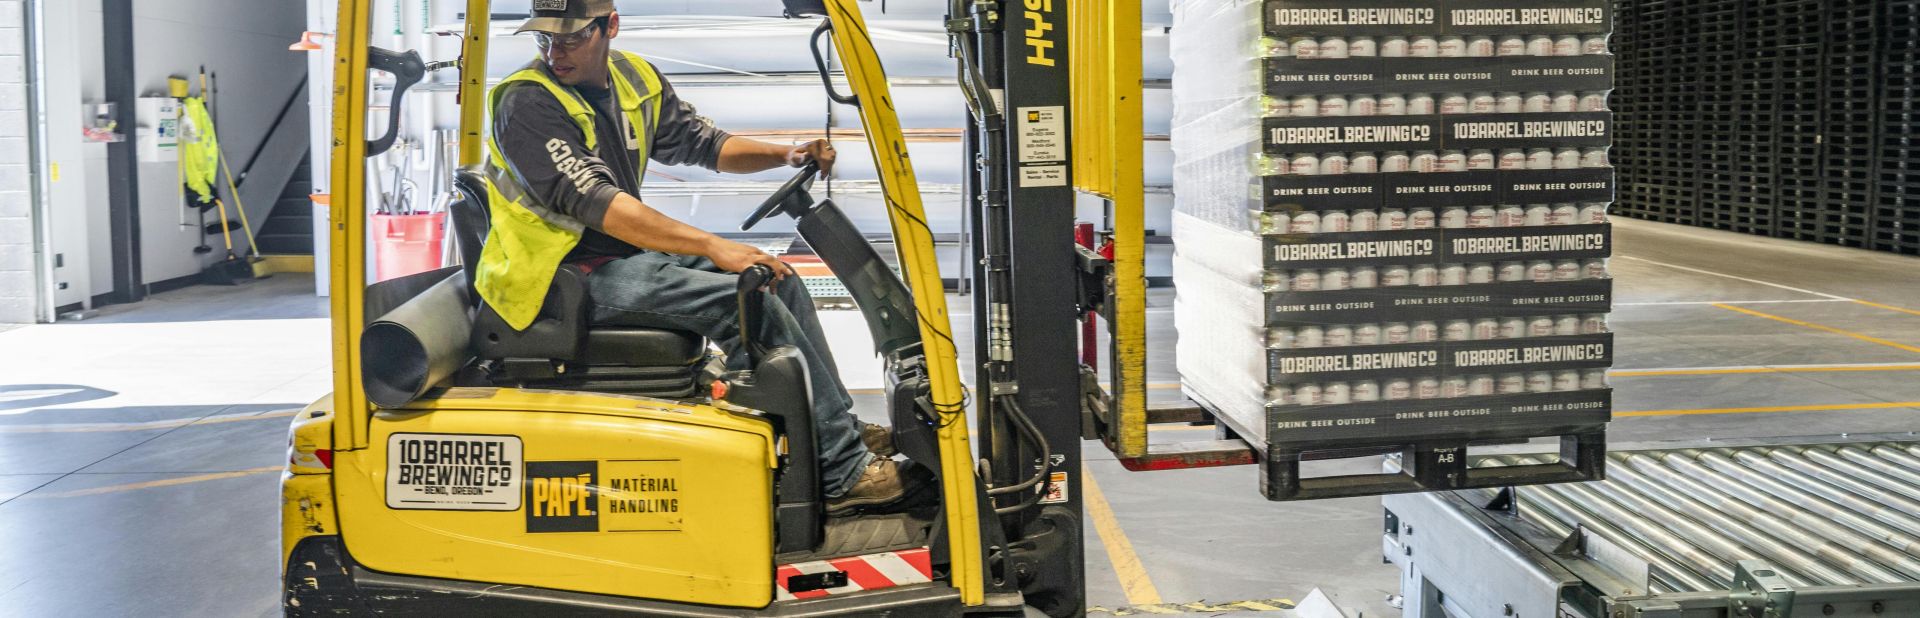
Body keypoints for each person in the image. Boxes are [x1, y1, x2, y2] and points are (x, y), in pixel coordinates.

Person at [479, 0, 908, 513]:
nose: (555, 52)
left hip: (617, 259)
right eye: (545, 39)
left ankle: (833, 421)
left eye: (571, 38)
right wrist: (712, 245)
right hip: (559, 279)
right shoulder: (527, 103)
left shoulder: (633, 79)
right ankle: (840, 470)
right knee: (743, 301)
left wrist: (783, 154)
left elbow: (703, 143)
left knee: (778, 280)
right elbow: (600, 205)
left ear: (608, 26)